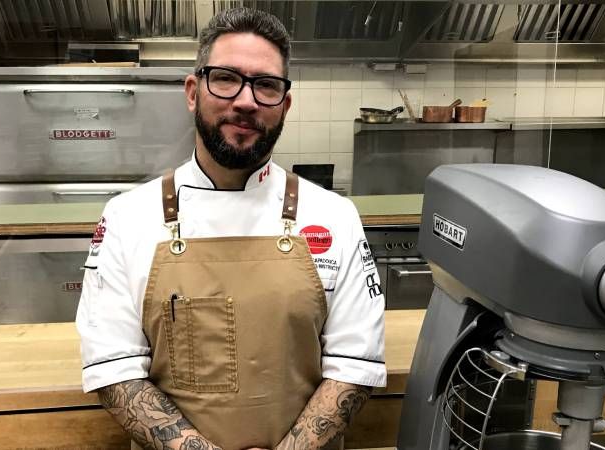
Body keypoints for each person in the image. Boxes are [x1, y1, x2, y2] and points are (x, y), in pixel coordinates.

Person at [76, 7, 386, 450]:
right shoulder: (128, 218)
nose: (245, 100)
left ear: (285, 103)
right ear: (192, 90)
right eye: (225, 78)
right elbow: (114, 368)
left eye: (266, 85)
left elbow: (354, 366)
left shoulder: (334, 216)